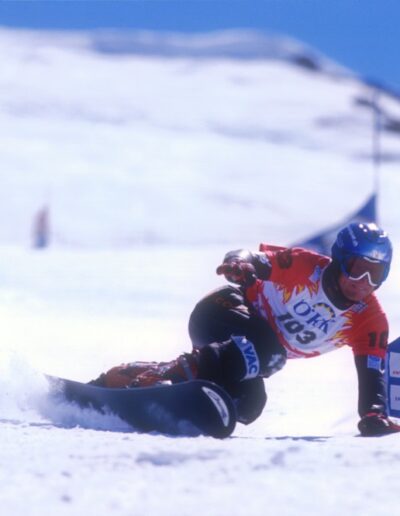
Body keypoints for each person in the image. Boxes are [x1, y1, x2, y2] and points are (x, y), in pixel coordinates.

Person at [91, 222, 398, 436]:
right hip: (221, 312)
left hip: (247, 354)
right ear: (340, 260)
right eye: (358, 269)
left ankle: (124, 377)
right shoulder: (307, 267)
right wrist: (240, 264)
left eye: (376, 274)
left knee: (248, 405)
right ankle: (159, 378)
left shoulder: (370, 321)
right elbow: (249, 256)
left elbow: (372, 377)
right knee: (270, 353)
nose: (364, 283)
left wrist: (373, 415)